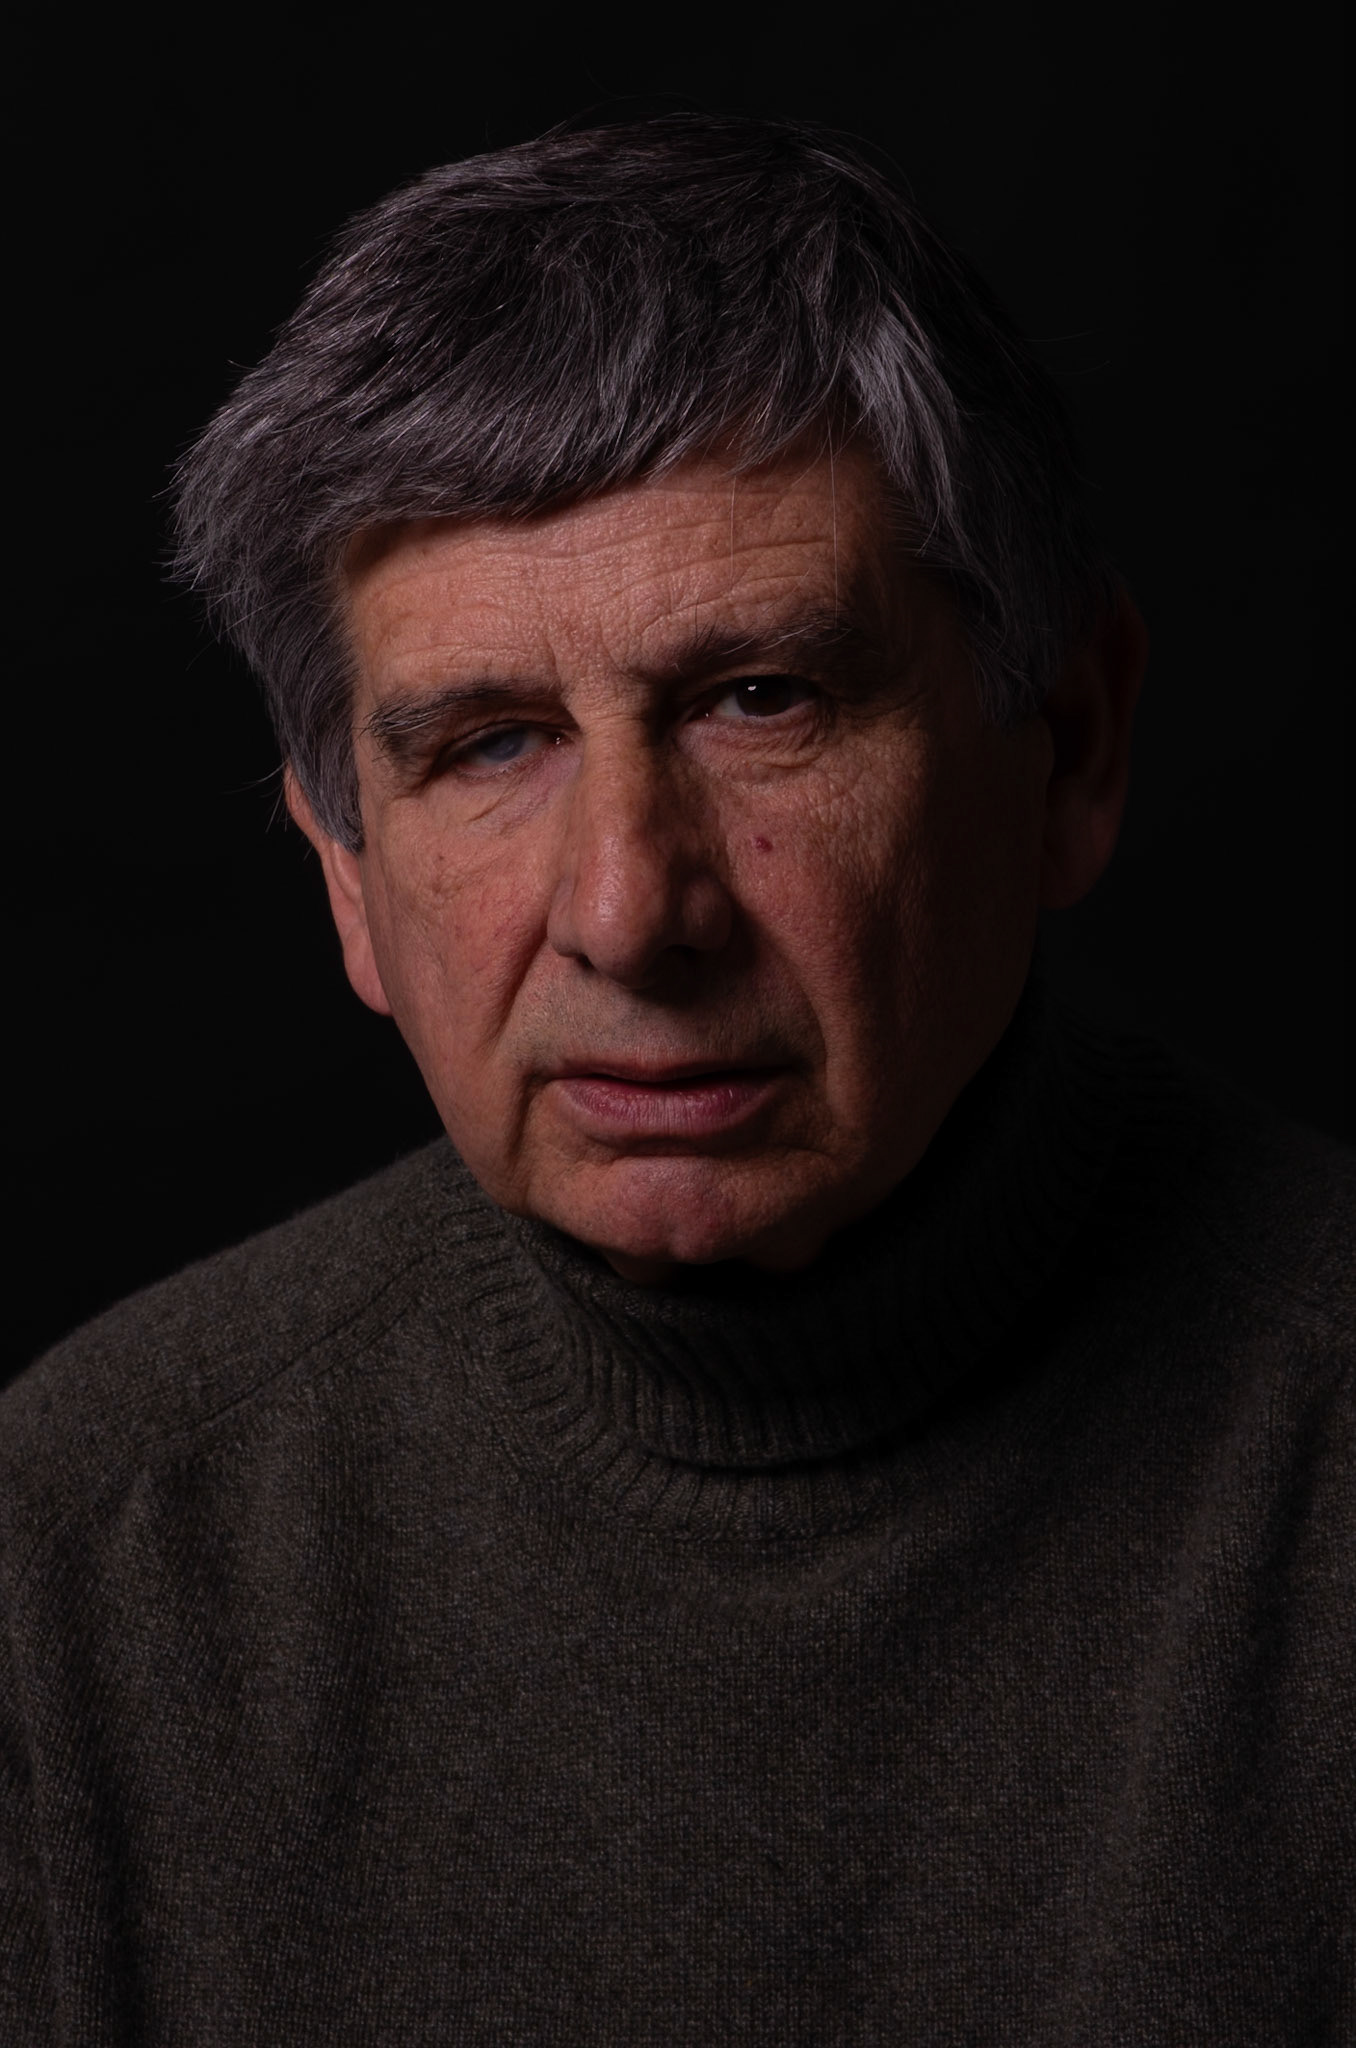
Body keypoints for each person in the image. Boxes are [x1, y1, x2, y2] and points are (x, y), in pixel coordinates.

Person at [1, 114, 1350, 2046]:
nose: (631, 913)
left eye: (761, 699)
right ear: (347, 877)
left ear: (1068, 742)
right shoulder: (74, 1571)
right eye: (488, 743)